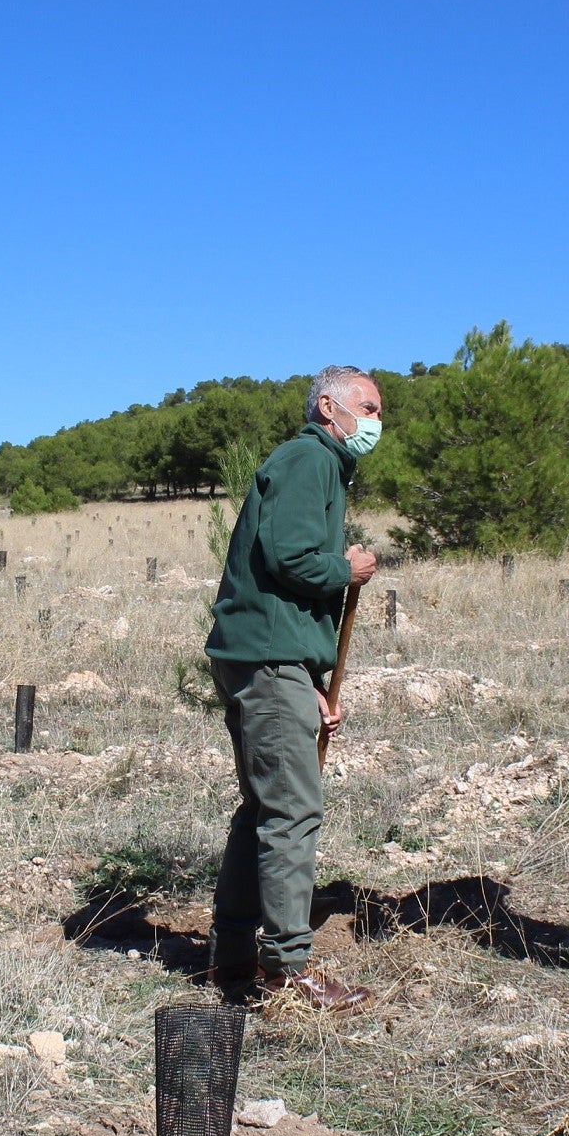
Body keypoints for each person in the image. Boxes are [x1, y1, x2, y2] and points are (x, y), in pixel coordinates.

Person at [203, 365, 383, 1012]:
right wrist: (347, 567)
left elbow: (280, 584)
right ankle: (285, 968)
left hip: (270, 657)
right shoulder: (310, 458)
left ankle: (232, 952)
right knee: (292, 810)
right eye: (367, 406)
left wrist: (307, 683)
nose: (375, 421)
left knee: (264, 807)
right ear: (328, 406)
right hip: (267, 657)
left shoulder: (321, 464)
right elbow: (289, 556)